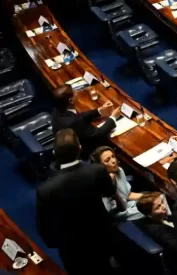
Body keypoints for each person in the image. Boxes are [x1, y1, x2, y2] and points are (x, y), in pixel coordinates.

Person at [37, 129, 115, 274]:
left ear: (54, 153)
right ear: (80, 149)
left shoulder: (45, 189)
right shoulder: (97, 171)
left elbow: (45, 228)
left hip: (71, 248)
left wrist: (59, 244)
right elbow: (109, 192)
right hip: (100, 236)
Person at [53, 84, 116, 151]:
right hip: (84, 151)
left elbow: (80, 116)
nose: (76, 91)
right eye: (74, 91)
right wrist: (113, 118)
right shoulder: (73, 122)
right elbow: (97, 135)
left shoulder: (57, 110)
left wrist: (99, 111)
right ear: (71, 100)